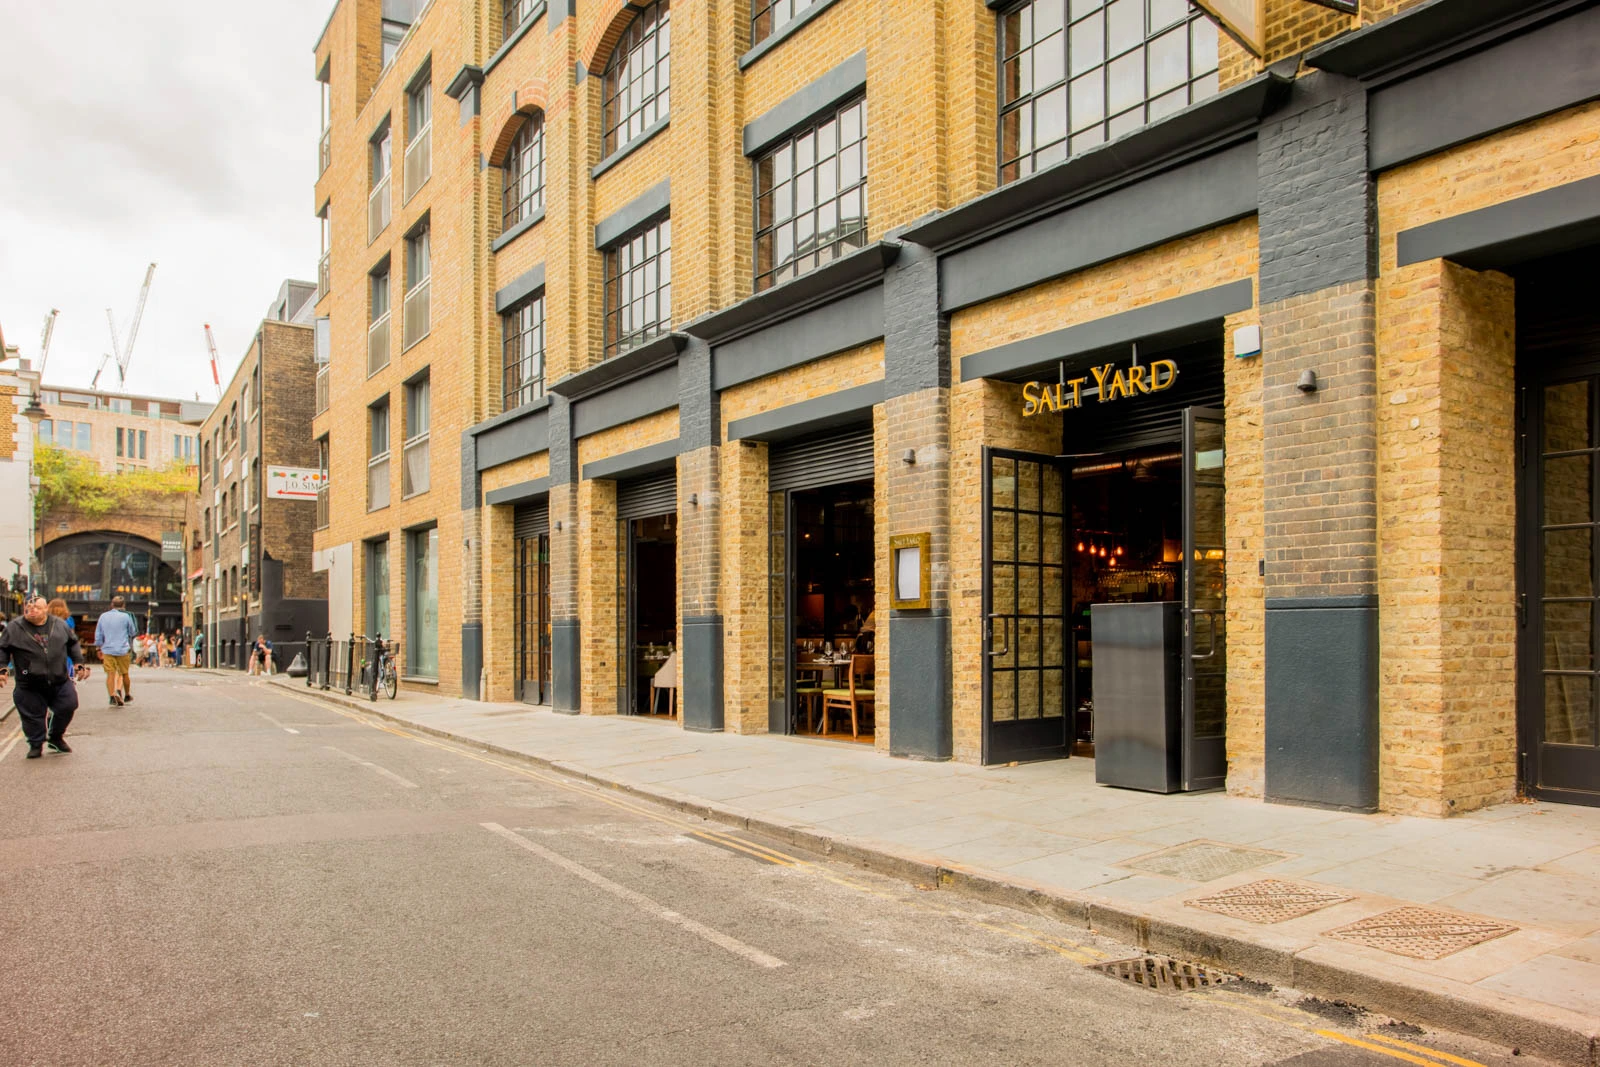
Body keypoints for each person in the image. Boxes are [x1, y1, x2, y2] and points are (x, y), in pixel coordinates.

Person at [0, 595, 91, 759]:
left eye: (37, 607)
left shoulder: (59, 624)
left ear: (46, 610)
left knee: (68, 705)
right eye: (28, 608)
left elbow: (73, 643)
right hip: (29, 683)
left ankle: (56, 737)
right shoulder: (14, 628)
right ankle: (35, 744)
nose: (32, 610)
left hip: (59, 679)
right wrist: (2, 669)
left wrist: (78, 662)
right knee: (32, 716)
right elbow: (3, 649)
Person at [94, 595, 139, 706]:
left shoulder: (103, 616)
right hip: (123, 649)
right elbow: (133, 632)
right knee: (124, 673)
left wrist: (98, 647)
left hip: (108, 649)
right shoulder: (126, 617)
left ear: (112, 605)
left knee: (110, 674)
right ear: (123, 605)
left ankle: (112, 696)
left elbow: (98, 634)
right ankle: (127, 695)